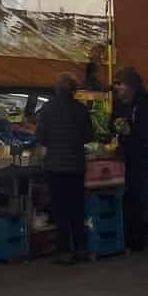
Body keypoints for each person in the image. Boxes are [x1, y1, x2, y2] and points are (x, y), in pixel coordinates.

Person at [34, 74, 94, 265]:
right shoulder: (80, 109)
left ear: (56, 89)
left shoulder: (46, 109)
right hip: (76, 165)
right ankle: (81, 249)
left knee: (60, 210)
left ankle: (64, 252)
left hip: (55, 167)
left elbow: (41, 137)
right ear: (74, 90)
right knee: (77, 208)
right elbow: (88, 136)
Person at [113, 66, 148, 256]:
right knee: (132, 198)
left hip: (147, 156)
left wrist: (132, 131)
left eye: (120, 85)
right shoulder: (119, 104)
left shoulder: (146, 102)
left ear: (131, 85)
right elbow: (113, 121)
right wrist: (116, 127)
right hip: (129, 157)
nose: (117, 88)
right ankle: (134, 241)